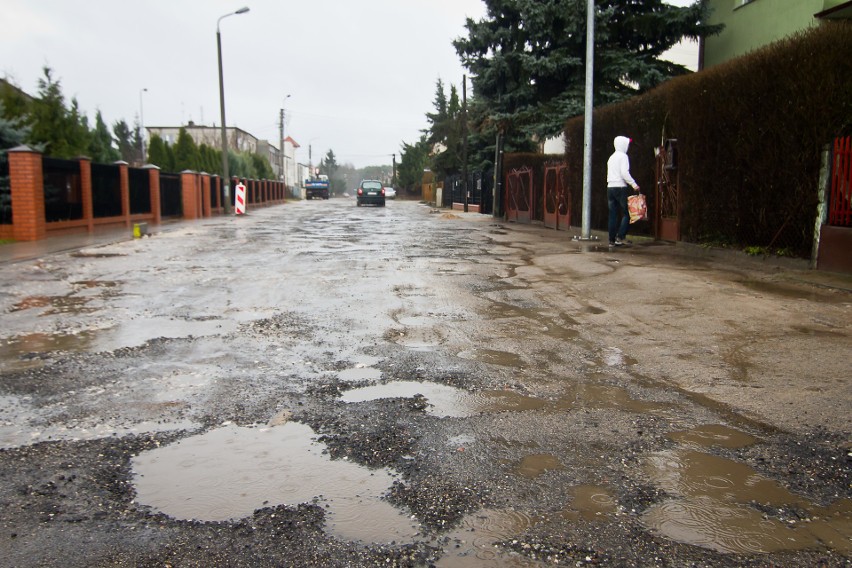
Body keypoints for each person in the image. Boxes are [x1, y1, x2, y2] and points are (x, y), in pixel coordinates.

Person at [606, 136, 640, 247]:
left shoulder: (611, 158)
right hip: (620, 187)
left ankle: (611, 240)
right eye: (627, 144)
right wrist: (634, 184)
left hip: (610, 187)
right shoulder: (623, 157)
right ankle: (620, 237)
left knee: (613, 214)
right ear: (623, 145)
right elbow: (624, 173)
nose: (628, 146)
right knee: (627, 213)